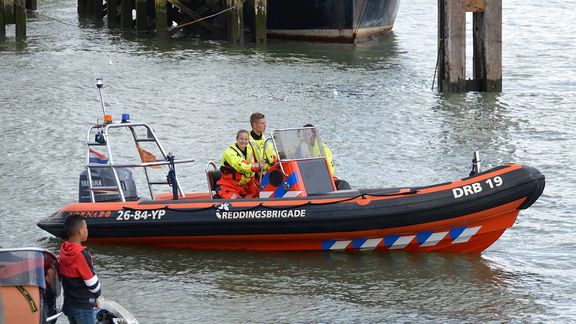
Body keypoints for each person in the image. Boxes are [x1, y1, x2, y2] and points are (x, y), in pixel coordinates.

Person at [59, 214, 102, 324]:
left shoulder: (64, 250)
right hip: (83, 307)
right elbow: (92, 284)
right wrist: (97, 296)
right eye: (86, 228)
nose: (87, 231)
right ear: (80, 231)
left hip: (70, 305)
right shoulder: (81, 254)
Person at [302, 124, 350, 190]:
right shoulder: (305, 147)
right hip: (310, 178)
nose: (306, 137)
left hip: (325, 178)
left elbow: (326, 168)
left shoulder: (323, 150)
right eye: (304, 135)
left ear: (314, 135)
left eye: (308, 134)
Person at [217, 130, 261, 199]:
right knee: (236, 200)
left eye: (246, 139)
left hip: (243, 186)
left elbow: (260, 160)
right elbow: (241, 166)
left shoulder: (250, 150)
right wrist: (258, 166)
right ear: (237, 139)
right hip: (228, 187)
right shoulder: (229, 152)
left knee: (259, 195)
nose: (243, 141)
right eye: (241, 139)